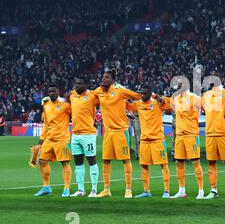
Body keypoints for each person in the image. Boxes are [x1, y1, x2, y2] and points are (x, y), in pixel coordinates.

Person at [93, 69, 142, 198]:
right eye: (103, 77)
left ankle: (128, 189)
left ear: (113, 80)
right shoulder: (99, 91)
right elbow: (87, 96)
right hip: (108, 132)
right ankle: (106, 189)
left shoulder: (120, 91)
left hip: (121, 131)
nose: (104, 79)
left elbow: (137, 96)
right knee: (105, 160)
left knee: (125, 160)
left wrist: (124, 88)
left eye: (107, 77)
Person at [127, 84, 172, 198]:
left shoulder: (158, 102)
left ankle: (166, 191)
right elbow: (127, 106)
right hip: (144, 140)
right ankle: (146, 191)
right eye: (141, 93)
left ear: (150, 93)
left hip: (157, 139)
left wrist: (159, 97)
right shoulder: (138, 104)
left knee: (163, 164)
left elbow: (170, 106)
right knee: (144, 165)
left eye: (144, 93)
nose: (142, 95)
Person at [201, 73, 225, 200]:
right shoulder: (205, 95)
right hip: (210, 133)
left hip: (223, 132)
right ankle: (213, 190)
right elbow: (203, 109)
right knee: (211, 163)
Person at [34, 84, 72, 197]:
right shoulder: (46, 105)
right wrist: (42, 137)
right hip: (49, 139)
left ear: (58, 92)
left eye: (53, 91)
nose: (51, 93)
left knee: (65, 162)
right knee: (42, 160)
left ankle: (66, 188)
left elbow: (76, 112)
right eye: (49, 92)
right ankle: (46, 187)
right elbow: (46, 123)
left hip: (62, 139)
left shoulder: (65, 105)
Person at [170, 80, 205, 199]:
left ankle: (201, 191)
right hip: (179, 135)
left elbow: (207, 108)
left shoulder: (195, 98)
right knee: (179, 162)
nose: (178, 87)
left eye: (180, 85)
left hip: (191, 135)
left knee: (195, 162)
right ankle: (181, 190)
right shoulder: (175, 98)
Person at [68, 77, 100, 197]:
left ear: (85, 85)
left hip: (88, 134)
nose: (76, 85)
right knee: (78, 163)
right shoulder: (72, 95)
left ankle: (94, 190)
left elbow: (105, 101)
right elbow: (65, 99)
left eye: (79, 84)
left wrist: (96, 119)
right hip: (75, 135)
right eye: (75, 83)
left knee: (92, 161)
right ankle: (80, 190)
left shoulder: (92, 96)